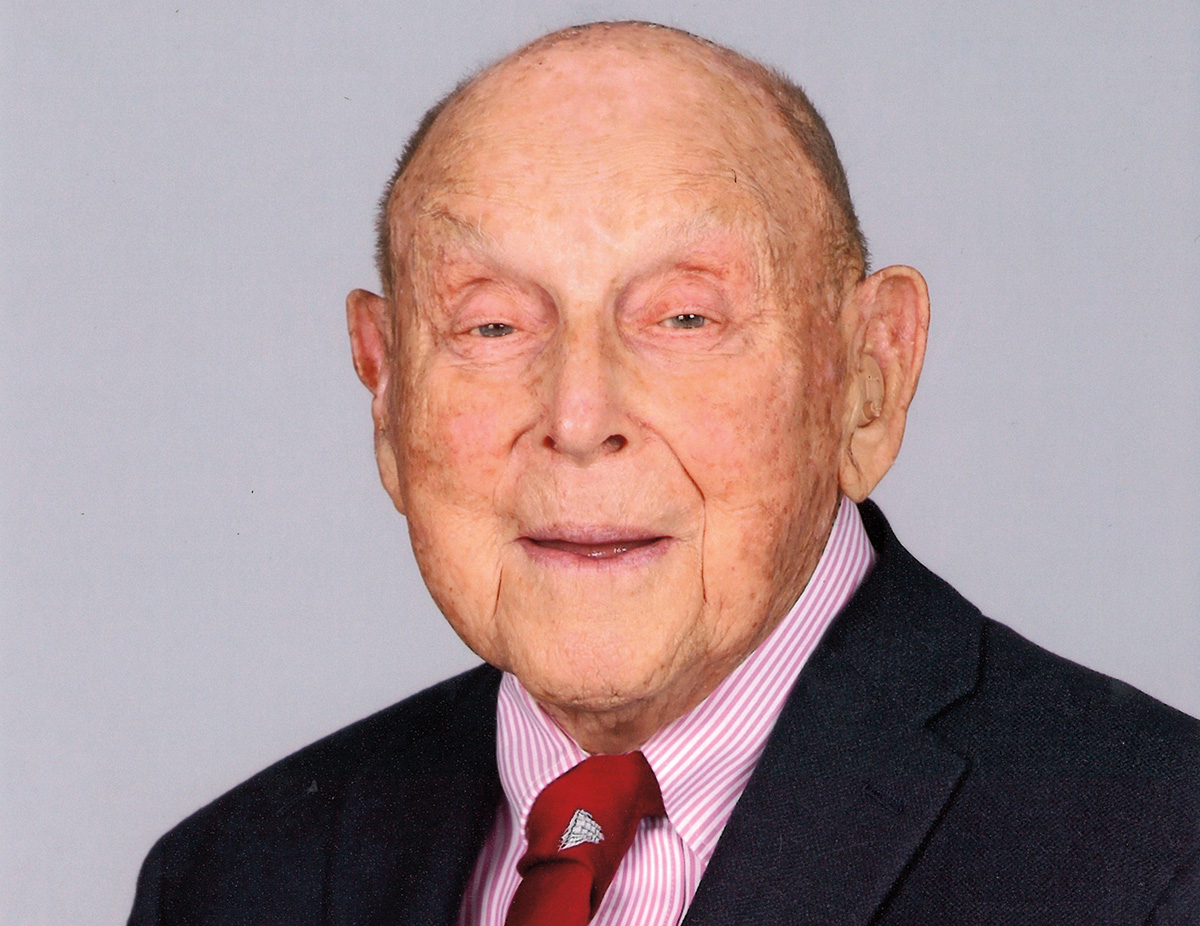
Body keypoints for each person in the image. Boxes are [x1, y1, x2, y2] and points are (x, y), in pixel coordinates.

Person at [128, 21, 1199, 925]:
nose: (579, 417)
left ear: (868, 378)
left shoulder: (1157, 853)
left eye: (685, 316)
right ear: (385, 385)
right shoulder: (230, 878)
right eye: (492, 324)